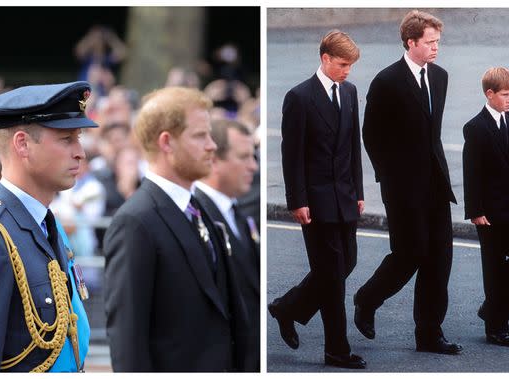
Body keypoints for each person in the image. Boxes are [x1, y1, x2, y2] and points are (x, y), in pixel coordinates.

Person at [103, 87, 250, 372]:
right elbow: (128, 341)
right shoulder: (135, 222)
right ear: (167, 142)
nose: (211, 145)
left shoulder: (200, 209)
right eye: (199, 136)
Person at [0, 81, 96, 372]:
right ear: (23, 144)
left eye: (78, 138)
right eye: (67, 139)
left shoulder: (44, 222)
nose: (80, 152)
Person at [354, 10, 462, 355]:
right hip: (402, 188)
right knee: (409, 253)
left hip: (435, 184)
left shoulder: (441, 77)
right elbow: (371, 135)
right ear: (410, 42)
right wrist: (389, 177)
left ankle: (429, 334)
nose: (435, 48)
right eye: (430, 42)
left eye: (438, 42)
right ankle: (367, 299)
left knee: (440, 259)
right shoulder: (386, 81)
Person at [269, 30, 365, 369]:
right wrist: (297, 200)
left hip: (345, 196)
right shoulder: (300, 97)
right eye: (342, 64)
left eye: (351, 66)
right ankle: (336, 351)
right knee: (332, 277)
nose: (347, 71)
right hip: (316, 200)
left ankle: (287, 308)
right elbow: (290, 155)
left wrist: (359, 192)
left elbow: (354, 146)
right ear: (324, 59)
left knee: (345, 265)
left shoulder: (350, 92)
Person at [462, 67, 509, 347]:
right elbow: (472, 172)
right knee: (493, 268)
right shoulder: (476, 127)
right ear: (489, 94)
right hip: (488, 212)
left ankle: (492, 309)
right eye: (504, 95)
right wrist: (475, 211)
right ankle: (496, 327)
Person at [194, 118, 260, 372]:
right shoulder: (196, 215)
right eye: (244, 157)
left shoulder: (238, 214)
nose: (253, 166)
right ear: (214, 160)